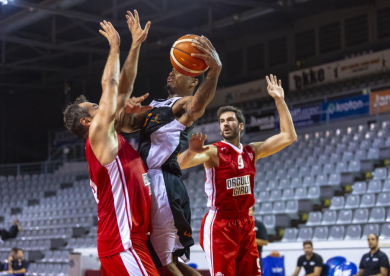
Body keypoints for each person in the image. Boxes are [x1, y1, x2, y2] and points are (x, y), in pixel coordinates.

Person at [63, 11, 159, 275]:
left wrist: (136, 45)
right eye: (94, 107)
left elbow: (122, 87)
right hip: (123, 243)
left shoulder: (108, 136)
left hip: (128, 240)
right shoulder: (97, 133)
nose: (101, 105)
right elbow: (112, 83)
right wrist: (115, 46)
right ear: (86, 122)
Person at [117, 35, 221, 276]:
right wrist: (126, 111)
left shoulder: (182, 104)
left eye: (179, 70)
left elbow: (196, 107)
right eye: (172, 69)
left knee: (164, 263)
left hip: (163, 183)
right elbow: (124, 126)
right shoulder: (156, 105)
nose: (171, 72)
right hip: (152, 184)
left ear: (193, 82)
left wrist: (214, 71)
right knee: (169, 260)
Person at [177, 75, 296, 276]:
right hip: (220, 224)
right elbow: (180, 164)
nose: (225, 123)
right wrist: (190, 152)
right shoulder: (214, 152)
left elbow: (288, 136)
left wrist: (279, 100)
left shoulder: (252, 151)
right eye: (222, 121)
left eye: (230, 119)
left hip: (245, 222)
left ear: (240, 126)